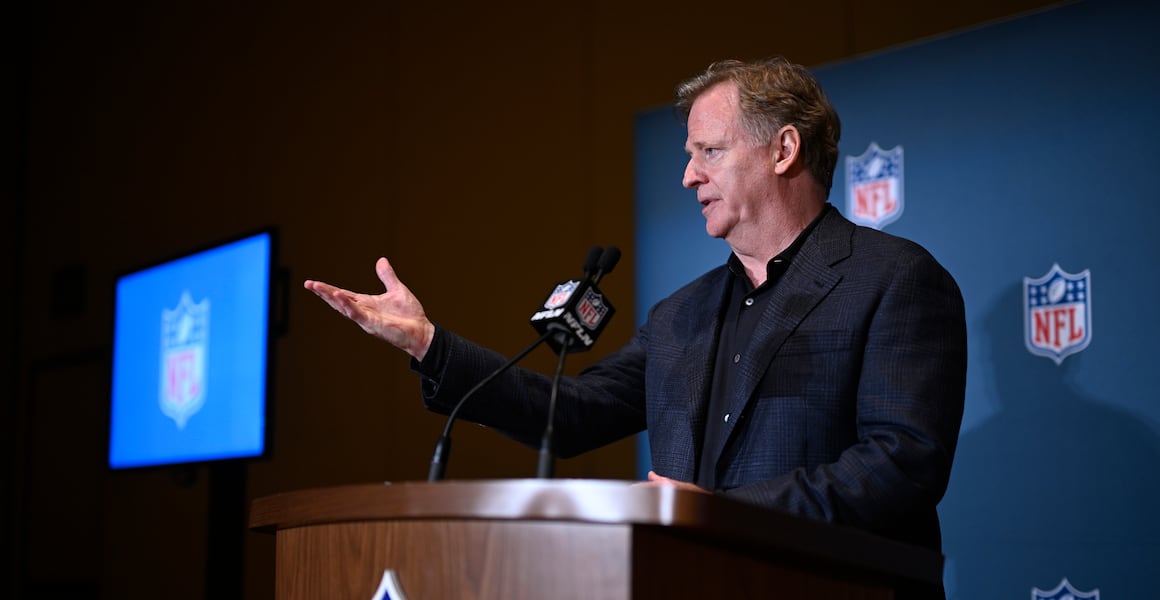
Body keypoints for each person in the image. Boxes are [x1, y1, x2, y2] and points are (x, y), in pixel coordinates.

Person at [306, 57, 966, 582]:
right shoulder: (681, 315)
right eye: (689, 154)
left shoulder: (893, 278)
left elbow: (902, 464)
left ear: (783, 149)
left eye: (709, 151)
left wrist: (722, 516)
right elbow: (571, 414)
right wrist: (428, 344)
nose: (688, 176)